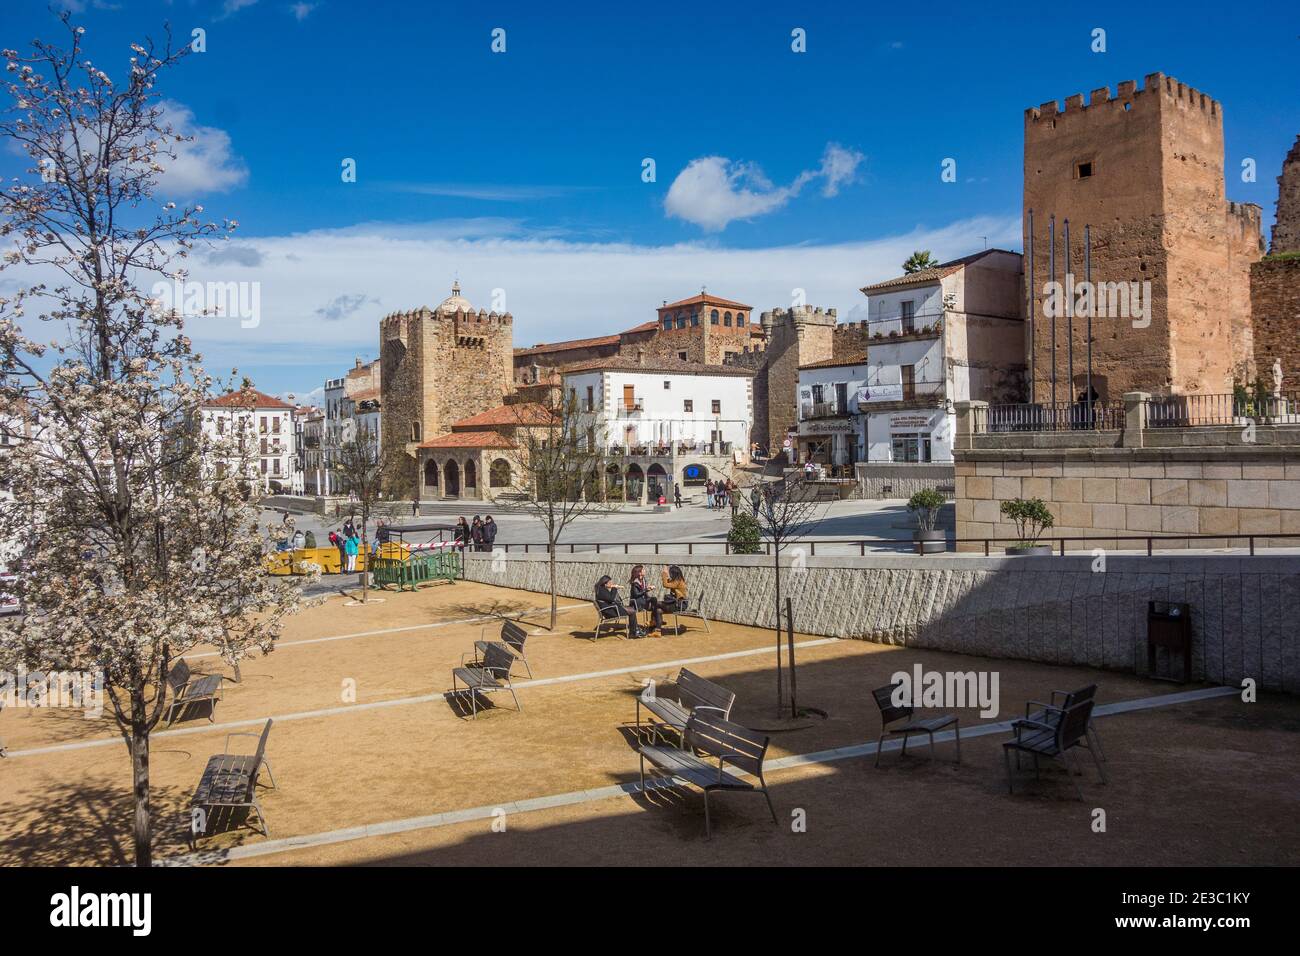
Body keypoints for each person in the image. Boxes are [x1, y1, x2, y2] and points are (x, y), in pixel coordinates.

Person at [627, 564, 664, 636]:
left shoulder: (643, 580)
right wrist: (646, 590)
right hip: (637, 602)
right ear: (639, 573)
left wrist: (647, 590)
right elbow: (636, 595)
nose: (645, 571)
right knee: (655, 602)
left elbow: (644, 593)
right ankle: (655, 619)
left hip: (644, 600)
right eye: (643, 570)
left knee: (654, 600)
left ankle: (653, 620)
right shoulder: (635, 583)